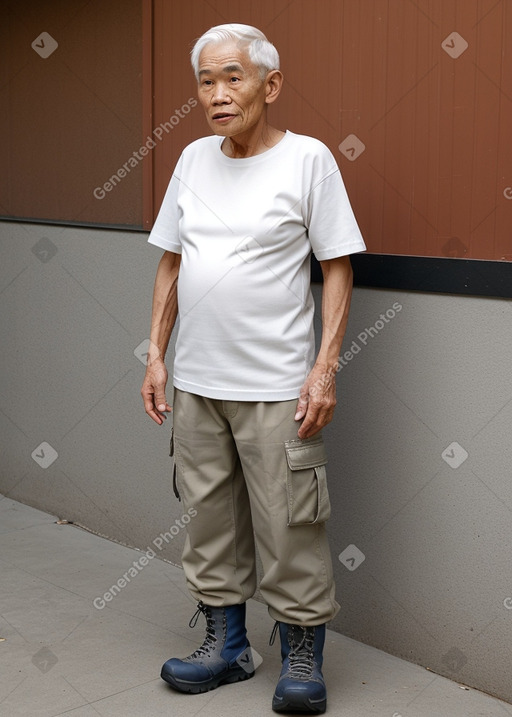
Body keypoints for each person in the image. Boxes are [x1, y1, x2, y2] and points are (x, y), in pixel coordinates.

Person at [141, 23, 366, 714]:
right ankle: (226, 645)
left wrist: (325, 366)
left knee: (292, 523)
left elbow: (336, 267)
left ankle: (301, 652)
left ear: (270, 84)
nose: (217, 93)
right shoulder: (191, 159)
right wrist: (156, 351)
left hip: (277, 386)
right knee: (207, 517)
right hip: (198, 382)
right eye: (206, 81)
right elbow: (173, 259)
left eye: (233, 77)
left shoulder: (309, 160)